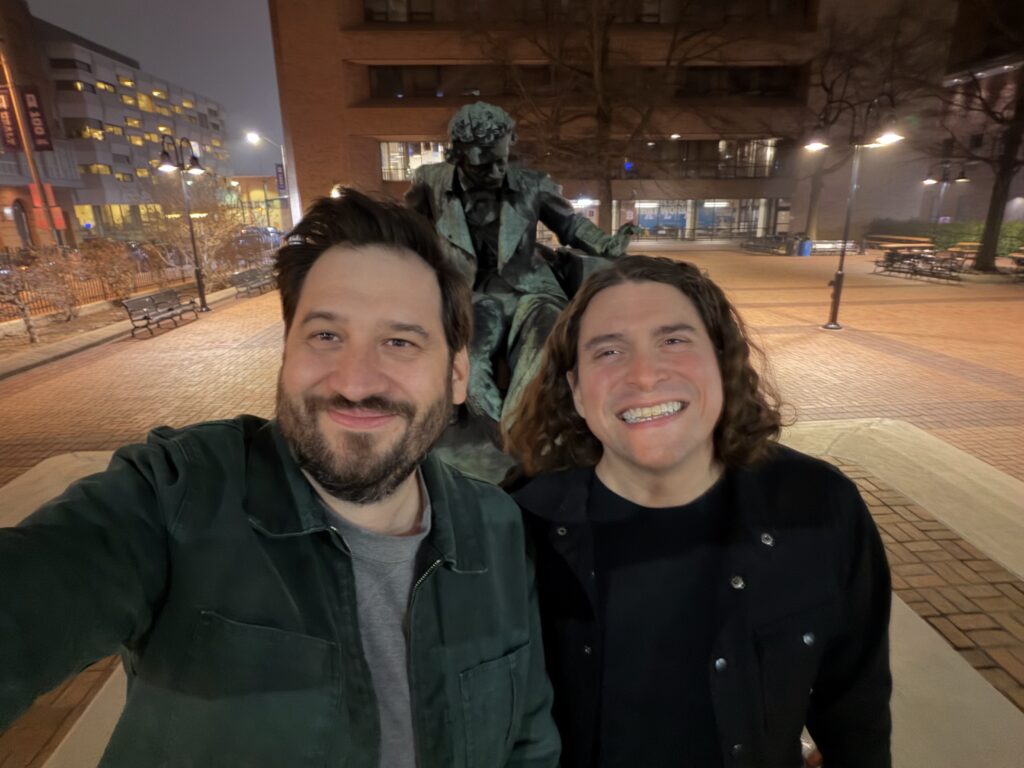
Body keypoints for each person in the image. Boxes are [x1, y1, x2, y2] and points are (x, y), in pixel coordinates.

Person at [0, 189, 560, 768]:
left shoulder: (495, 527)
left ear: (457, 374)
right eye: (325, 336)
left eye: (400, 341)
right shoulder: (177, 496)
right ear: (286, 353)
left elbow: (527, 740)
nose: (356, 380)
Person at [504, 255, 891, 768]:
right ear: (576, 391)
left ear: (722, 361)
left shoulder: (818, 506)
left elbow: (856, 714)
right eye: (609, 351)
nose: (643, 375)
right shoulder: (517, 528)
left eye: (673, 340)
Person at [405, 101, 634, 426]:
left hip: (531, 290)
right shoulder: (430, 182)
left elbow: (570, 225)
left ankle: (518, 433)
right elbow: (404, 231)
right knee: (468, 362)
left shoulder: (532, 183)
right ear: (457, 156)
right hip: (469, 295)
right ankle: (497, 434)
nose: (497, 172)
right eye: (484, 166)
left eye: (502, 161)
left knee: (544, 344)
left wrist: (610, 245)